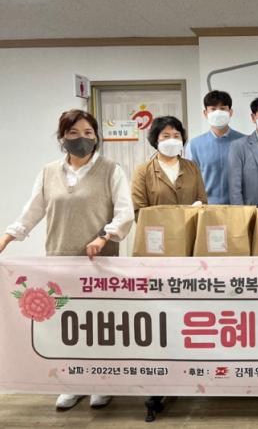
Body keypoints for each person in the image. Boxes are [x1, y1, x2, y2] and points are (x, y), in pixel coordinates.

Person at [0, 109, 134, 411]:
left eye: (88, 133)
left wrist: (104, 236)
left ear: (96, 137)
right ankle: (72, 384)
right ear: (62, 138)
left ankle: (102, 383)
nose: (81, 139)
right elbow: (32, 211)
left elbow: (125, 212)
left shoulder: (111, 170)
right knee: (67, 325)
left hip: (98, 263)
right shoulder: (49, 172)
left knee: (99, 324)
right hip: (59, 261)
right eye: (73, 133)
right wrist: (8, 236)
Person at [131, 116, 207, 218]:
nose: (172, 140)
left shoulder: (192, 167)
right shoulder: (143, 171)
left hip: (190, 226)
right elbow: (138, 209)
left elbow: (202, 200)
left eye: (176, 136)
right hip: (156, 227)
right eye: (166, 136)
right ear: (156, 140)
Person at [184, 90, 244, 204]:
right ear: (205, 113)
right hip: (206, 208)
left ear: (230, 112)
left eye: (222, 109)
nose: (218, 112)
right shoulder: (194, 145)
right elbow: (189, 181)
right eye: (213, 109)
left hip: (239, 208)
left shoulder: (244, 142)